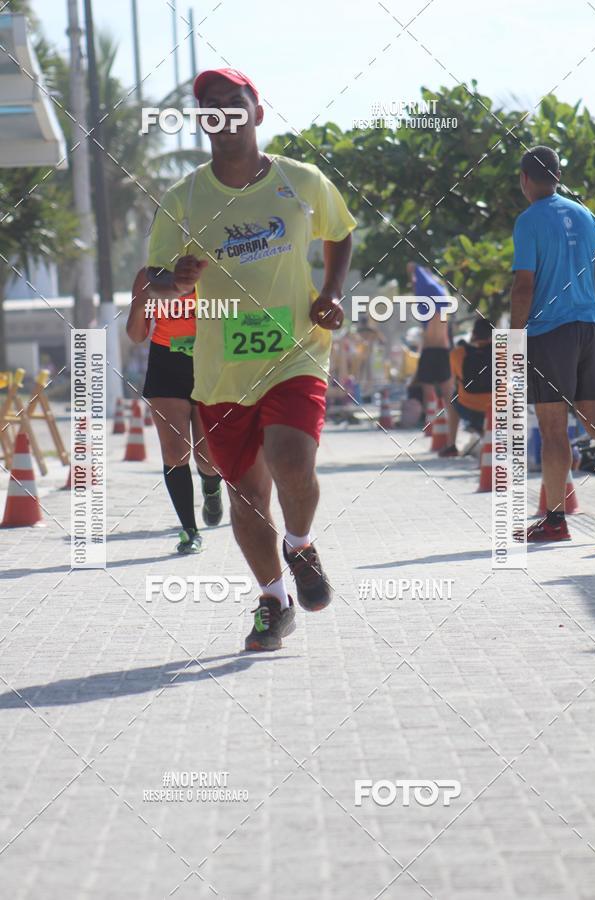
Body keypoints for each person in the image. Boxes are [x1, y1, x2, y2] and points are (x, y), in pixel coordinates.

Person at [145, 68, 356, 650]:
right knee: (245, 495)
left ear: (257, 113)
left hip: (295, 352)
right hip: (220, 369)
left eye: (234, 102)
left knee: (291, 459)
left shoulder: (302, 181)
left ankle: (301, 543)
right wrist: (174, 277)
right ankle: (273, 599)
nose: (223, 112)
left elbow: (339, 232)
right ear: (202, 121)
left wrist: (332, 292)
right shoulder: (183, 196)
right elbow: (155, 277)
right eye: (211, 106)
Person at [511, 146, 595, 541]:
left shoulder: (528, 221)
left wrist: (514, 337)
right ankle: (555, 518)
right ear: (559, 176)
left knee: (552, 429)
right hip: (589, 327)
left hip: (550, 333)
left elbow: (523, 285)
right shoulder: (587, 216)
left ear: (524, 179)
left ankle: (555, 521)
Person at [126, 268, 223, 554]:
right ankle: (190, 531)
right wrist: (141, 302)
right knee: (174, 452)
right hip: (166, 364)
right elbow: (136, 335)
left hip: (209, 363)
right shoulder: (148, 276)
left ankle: (211, 485)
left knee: (208, 458)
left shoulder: (212, 270)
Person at [440, 317, 493, 457]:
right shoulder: (502, 353)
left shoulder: (457, 354)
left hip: (469, 408)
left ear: (473, 334)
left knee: (453, 398)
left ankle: (451, 445)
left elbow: (455, 381)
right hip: (496, 408)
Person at [409, 263, 455, 422]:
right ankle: (450, 425)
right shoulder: (444, 308)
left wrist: (415, 272)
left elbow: (419, 290)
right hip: (443, 351)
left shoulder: (426, 311)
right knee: (449, 394)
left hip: (428, 352)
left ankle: (432, 424)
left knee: (429, 393)